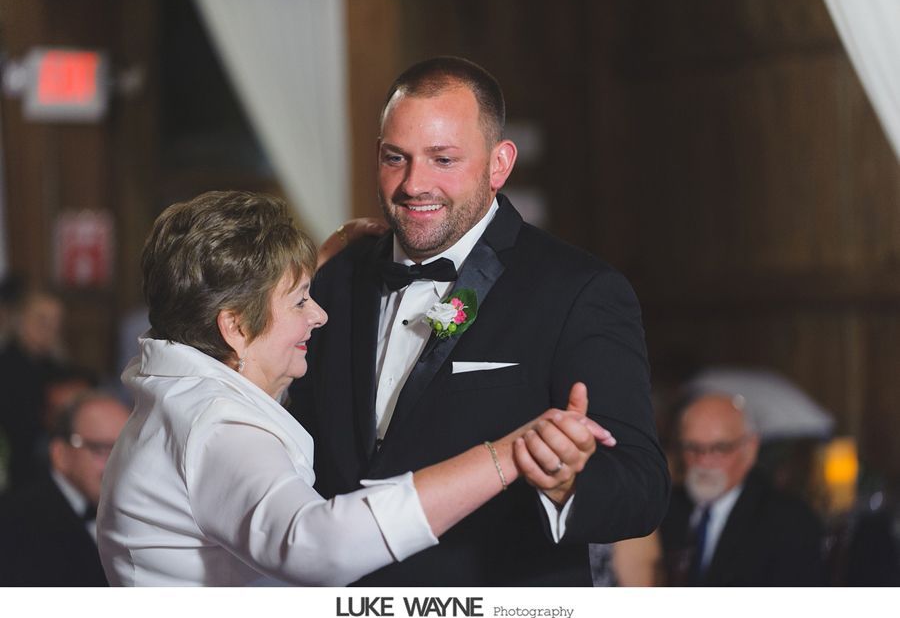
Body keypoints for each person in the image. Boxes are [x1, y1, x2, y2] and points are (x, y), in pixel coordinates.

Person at [97, 190, 609, 587]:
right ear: (233, 327)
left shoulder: (179, 390)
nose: (319, 315)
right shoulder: (214, 426)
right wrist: (508, 455)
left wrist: (302, 273)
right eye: (300, 301)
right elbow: (316, 545)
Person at [289, 56, 670, 586]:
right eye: (396, 158)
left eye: (443, 159)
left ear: (499, 164)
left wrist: (566, 482)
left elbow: (642, 490)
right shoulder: (335, 278)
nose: (413, 184)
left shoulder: (579, 290)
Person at [659, 393, 826, 586]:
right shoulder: (666, 510)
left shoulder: (789, 520)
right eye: (692, 447)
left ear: (749, 449)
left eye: (720, 448)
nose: (704, 461)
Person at [0, 390, 129, 586]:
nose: (118, 464)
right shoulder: (13, 524)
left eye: (127, 451)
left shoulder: (145, 515)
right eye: (102, 449)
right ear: (61, 454)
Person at [0, 288, 67, 491]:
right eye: (41, 319)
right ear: (20, 320)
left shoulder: (58, 366)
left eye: (56, 320)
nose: (50, 327)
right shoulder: (6, 364)